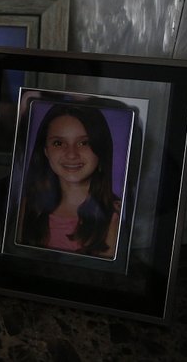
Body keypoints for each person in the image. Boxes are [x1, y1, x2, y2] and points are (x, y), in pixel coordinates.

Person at [17, 103, 121, 258]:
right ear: (46, 151)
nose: (71, 154)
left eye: (83, 143)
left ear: (100, 150)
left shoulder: (114, 215)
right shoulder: (29, 205)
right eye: (58, 143)